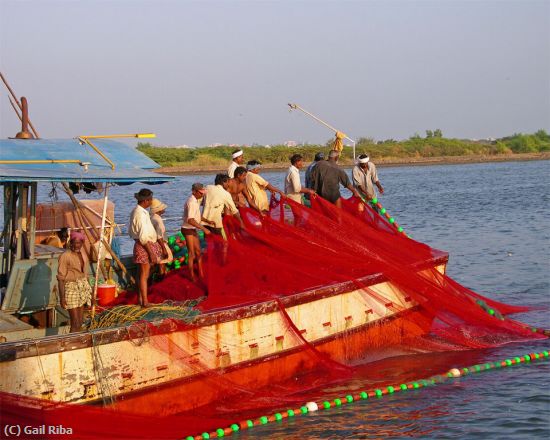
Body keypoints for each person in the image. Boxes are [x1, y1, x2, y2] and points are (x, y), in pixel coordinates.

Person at [128, 188, 163, 307]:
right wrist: (151, 252)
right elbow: (143, 236)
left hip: (141, 244)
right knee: (144, 275)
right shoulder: (140, 213)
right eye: (150, 200)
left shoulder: (138, 211)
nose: (151, 202)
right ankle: (145, 302)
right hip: (144, 245)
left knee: (140, 274)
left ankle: (141, 300)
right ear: (146, 201)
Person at [57, 231, 92, 332]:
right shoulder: (65, 256)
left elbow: (86, 274)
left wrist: (91, 291)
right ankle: (71, 344)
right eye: (75, 243)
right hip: (70, 288)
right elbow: (61, 279)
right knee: (75, 322)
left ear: (82, 243)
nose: (77, 245)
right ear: (71, 243)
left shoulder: (83, 254)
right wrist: (62, 298)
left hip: (82, 287)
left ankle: (78, 342)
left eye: (79, 243)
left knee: (80, 322)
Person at [182, 183, 212, 281]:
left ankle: (201, 273)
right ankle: (192, 276)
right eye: (200, 193)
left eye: (202, 193)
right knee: (192, 254)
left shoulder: (196, 201)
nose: (202, 195)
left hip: (192, 228)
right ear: (194, 191)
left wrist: (208, 221)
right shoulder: (191, 202)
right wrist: (204, 229)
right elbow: (190, 220)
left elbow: (197, 217)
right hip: (187, 229)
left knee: (198, 252)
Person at [150, 198, 173, 276]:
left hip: (153, 244)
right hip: (160, 244)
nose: (164, 209)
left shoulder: (152, 217)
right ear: (159, 210)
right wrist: (164, 249)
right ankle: (161, 279)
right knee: (162, 263)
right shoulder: (158, 220)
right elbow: (159, 236)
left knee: (159, 264)